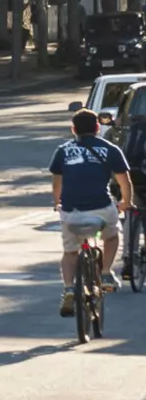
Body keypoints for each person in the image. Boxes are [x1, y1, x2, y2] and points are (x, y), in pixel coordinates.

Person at [51, 107, 133, 314]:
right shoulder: (111, 149)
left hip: (72, 210)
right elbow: (124, 181)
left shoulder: (63, 151)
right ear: (97, 127)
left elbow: (56, 185)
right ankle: (105, 272)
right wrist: (126, 202)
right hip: (101, 207)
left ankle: (69, 288)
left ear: (73, 129)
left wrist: (57, 203)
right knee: (112, 236)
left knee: (70, 252)